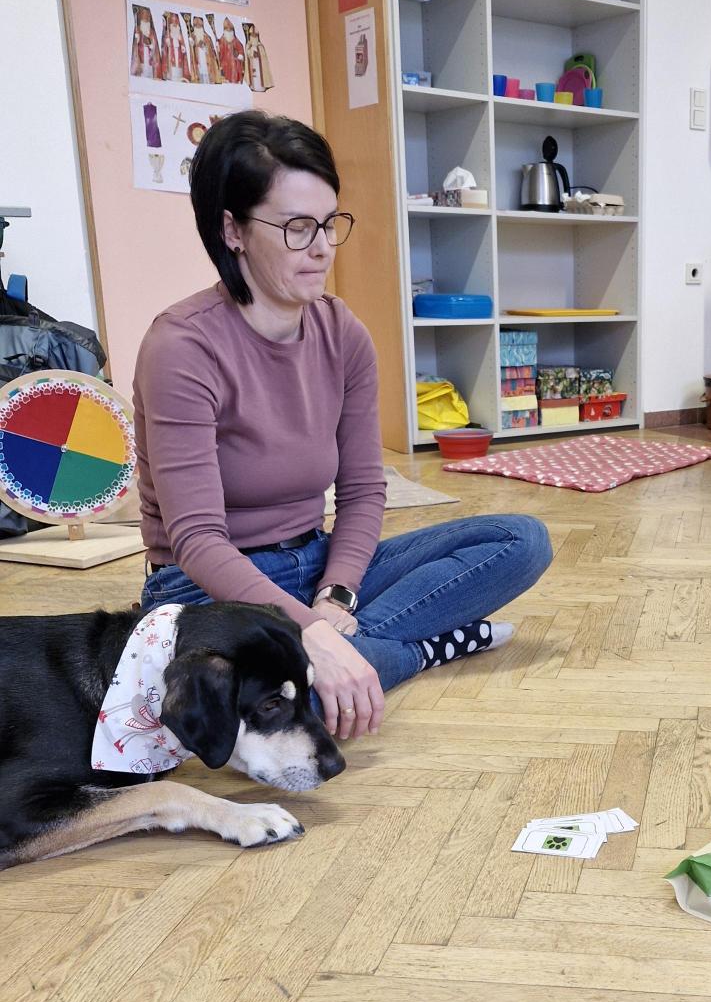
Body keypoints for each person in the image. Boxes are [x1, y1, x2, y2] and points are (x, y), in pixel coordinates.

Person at [133, 110, 552, 742]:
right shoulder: (181, 346)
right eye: (297, 227)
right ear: (233, 229)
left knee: (522, 539)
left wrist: (336, 597)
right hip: (206, 590)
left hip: (318, 562)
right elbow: (196, 540)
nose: (323, 246)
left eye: (329, 223)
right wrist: (311, 631)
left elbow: (361, 490)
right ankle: (416, 650)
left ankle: (329, 667)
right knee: (270, 695)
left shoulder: (343, 331)